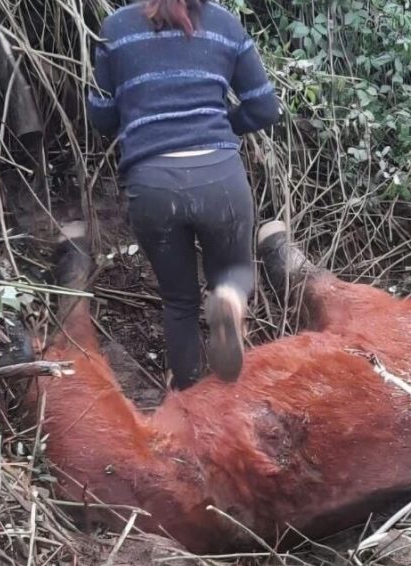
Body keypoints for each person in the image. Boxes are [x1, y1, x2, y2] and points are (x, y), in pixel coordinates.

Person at [86, 0, 280, 389]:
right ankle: (227, 298)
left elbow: (101, 116)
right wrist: (223, 124)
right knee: (235, 273)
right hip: (219, 177)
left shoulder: (115, 28)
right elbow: (265, 107)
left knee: (179, 303)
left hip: (153, 183)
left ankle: (189, 397)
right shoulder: (225, 25)